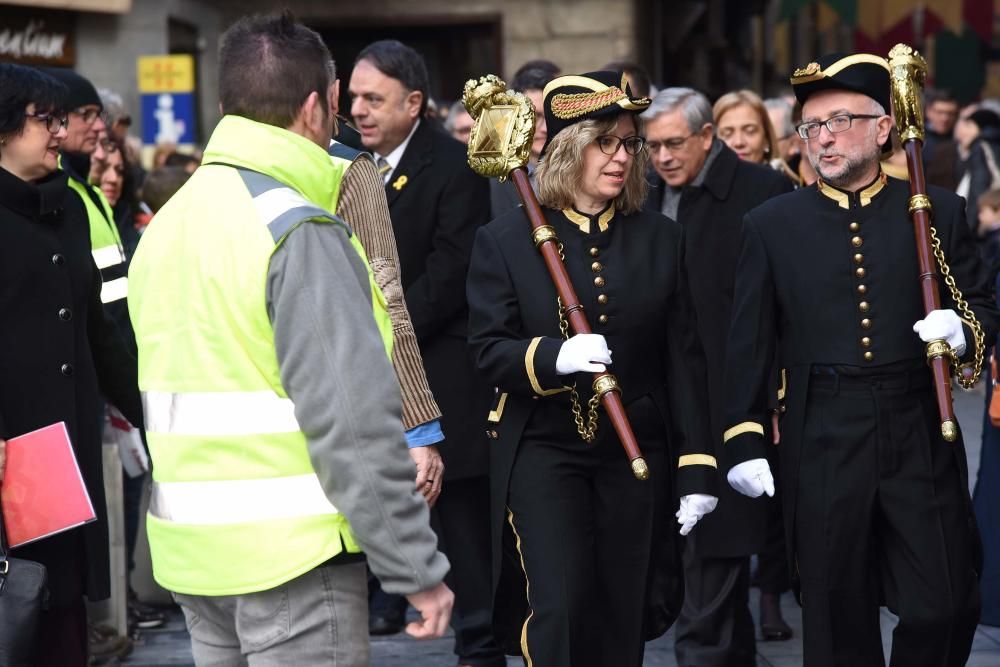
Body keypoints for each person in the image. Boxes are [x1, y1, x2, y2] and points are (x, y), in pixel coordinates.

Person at [127, 13, 453, 664]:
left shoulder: (170, 223)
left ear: (226, 106)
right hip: (293, 556)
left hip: (193, 554)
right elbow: (350, 421)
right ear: (321, 106)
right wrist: (414, 564)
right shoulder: (297, 229)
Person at [723, 52, 1000, 666]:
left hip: (918, 420)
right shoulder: (771, 224)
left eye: (839, 121)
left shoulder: (937, 210)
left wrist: (962, 332)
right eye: (810, 127)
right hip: (823, 425)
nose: (822, 138)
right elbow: (749, 342)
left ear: (882, 128)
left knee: (947, 600)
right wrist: (743, 435)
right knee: (833, 606)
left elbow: (981, 305)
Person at [467, 70, 719, 666]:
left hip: (633, 449)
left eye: (629, 143)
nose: (623, 157)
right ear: (565, 149)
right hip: (543, 446)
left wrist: (698, 467)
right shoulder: (504, 239)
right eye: (605, 142)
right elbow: (487, 348)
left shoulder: (661, 237)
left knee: (620, 609)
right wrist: (555, 356)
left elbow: (683, 360)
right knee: (559, 605)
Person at [348, 39, 502, 667]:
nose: (358, 110)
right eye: (352, 97)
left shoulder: (454, 166)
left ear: (414, 102)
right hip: (372, 377)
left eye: (373, 98)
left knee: (462, 524)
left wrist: (379, 327)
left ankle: (480, 644)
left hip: (441, 375)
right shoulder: (349, 167)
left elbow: (449, 270)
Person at [642, 87, 793, 664]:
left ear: (708, 136)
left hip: (732, 405)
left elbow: (782, 310)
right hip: (666, 401)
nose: (662, 157)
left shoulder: (763, 193)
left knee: (713, 571)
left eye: (674, 143)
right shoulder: (647, 192)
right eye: (651, 146)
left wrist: (769, 399)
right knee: (707, 583)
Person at [0, 63, 144, 667]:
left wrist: (147, 408)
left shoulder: (69, 209)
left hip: (66, 453)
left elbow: (98, 328)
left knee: (62, 614)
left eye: (62, 119)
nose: (60, 133)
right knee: (17, 604)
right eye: (44, 120)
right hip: (13, 452)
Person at [489, 63, 558, 219]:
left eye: (551, 117)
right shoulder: (492, 180)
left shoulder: (576, 172)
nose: (545, 128)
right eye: (535, 117)